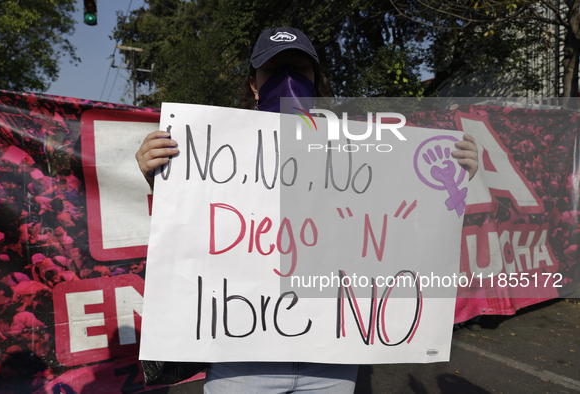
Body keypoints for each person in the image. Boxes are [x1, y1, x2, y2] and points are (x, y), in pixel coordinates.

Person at [135, 27, 479, 393]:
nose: (288, 79)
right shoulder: (216, 150)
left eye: (300, 68)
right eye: (273, 70)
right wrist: (159, 176)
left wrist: (456, 178)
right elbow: (194, 222)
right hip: (241, 357)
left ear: (316, 80)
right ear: (254, 83)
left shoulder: (357, 150)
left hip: (328, 359)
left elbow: (402, 223)